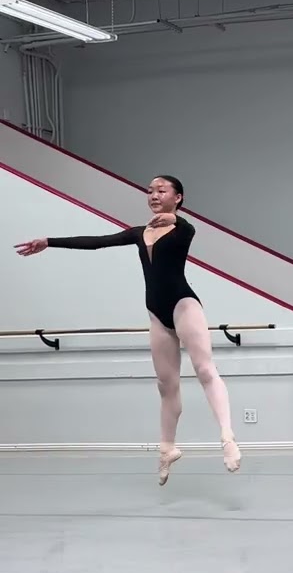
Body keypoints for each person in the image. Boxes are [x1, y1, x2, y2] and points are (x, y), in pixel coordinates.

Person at [14, 175, 241, 484]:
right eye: (149, 191)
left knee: (204, 370)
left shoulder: (182, 230)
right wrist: (49, 242)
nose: (153, 195)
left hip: (184, 306)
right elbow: (95, 244)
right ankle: (167, 449)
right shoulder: (138, 234)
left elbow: (188, 227)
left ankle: (227, 438)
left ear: (179, 197)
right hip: (157, 315)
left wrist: (173, 217)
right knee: (166, 385)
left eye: (161, 191)